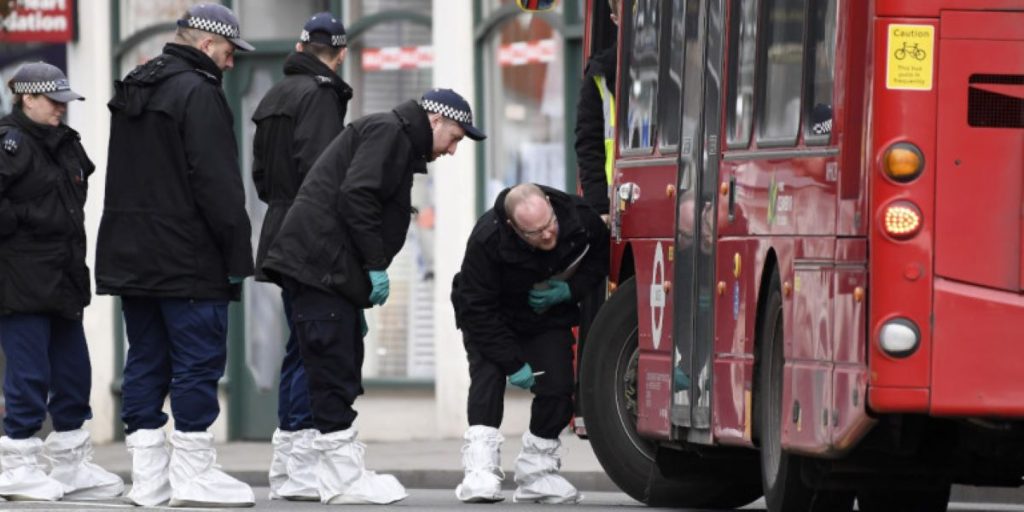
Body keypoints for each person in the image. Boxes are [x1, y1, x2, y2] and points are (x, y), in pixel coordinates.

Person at [261, 87, 485, 505]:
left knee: (323, 363)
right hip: (322, 269)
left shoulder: (393, 133)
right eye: (455, 137)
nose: (453, 150)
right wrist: (374, 265)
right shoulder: (391, 133)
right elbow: (358, 195)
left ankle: (311, 472)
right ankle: (341, 478)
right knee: (332, 367)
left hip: (326, 271)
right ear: (435, 120)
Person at [95, 4, 255, 507]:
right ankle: (193, 474)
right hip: (189, 257)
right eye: (229, 52)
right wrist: (237, 255)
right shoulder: (198, 93)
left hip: (132, 256)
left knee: (145, 362)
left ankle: (149, 480)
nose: (231, 63)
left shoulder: (134, 85)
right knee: (196, 364)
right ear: (207, 45)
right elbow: (218, 185)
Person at [0, 62, 124, 502]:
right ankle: (17, 465)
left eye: (64, 102)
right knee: (29, 376)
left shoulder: (67, 143)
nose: (61, 110)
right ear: (27, 97)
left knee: (74, 375)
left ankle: (71, 463)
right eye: (53, 101)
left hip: (65, 276)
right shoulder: (8, 143)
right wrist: (27, 223)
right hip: (21, 280)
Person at [450, 183, 609, 504]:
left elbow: (601, 259)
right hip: (492, 313)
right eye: (535, 233)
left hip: (546, 311)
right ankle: (480, 470)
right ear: (514, 228)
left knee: (559, 386)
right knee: (488, 380)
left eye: (550, 224)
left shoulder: (580, 219)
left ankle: (538, 472)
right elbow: (477, 308)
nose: (548, 235)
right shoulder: (486, 239)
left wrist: (570, 291)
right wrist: (512, 362)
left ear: (550, 205)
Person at [250, 11, 353, 502]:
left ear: (299, 45)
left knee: (299, 346)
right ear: (340, 54)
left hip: (279, 227)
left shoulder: (274, 94)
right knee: (315, 348)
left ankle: (289, 463)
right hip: (311, 233)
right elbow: (325, 173)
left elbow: (261, 179)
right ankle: (301, 462)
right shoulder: (320, 95)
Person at [574, 0, 619, 223]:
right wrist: (599, 208)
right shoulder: (599, 75)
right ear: (615, 20)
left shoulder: (684, 64)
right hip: (616, 204)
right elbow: (588, 145)